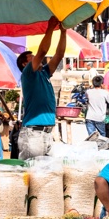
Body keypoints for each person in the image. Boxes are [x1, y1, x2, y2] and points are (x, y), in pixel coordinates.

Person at [16, 19, 67, 158]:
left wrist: (64, 31)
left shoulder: (44, 73)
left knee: (46, 175)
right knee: (32, 173)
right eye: (32, 58)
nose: (37, 59)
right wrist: (50, 27)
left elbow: (59, 55)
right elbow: (43, 50)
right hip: (33, 133)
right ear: (25, 64)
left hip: (46, 132)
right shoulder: (28, 74)